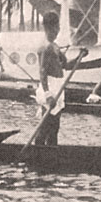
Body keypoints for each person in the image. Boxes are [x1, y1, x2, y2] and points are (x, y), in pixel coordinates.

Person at [34, 11, 86, 146]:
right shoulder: (45, 47)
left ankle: (51, 153)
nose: (57, 31)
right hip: (49, 88)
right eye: (55, 28)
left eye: (58, 28)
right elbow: (42, 72)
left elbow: (67, 65)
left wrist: (80, 56)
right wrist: (48, 94)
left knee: (55, 127)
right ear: (47, 28)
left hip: (58, 87)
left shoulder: (55, 46)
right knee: (45, 127)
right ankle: (36, 154)